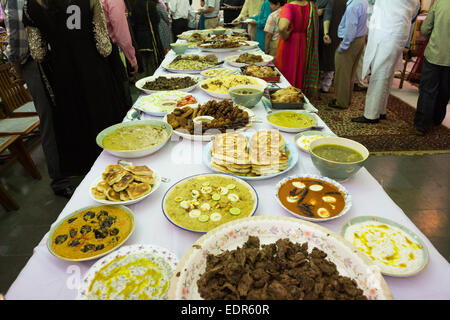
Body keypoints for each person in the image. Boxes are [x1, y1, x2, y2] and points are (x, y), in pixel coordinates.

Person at [22, 0, 129, 178]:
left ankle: (91, 175)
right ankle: (119, 167)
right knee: (104, 119)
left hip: (63, 76)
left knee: (76, 122)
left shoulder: (30, 6)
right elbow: (103, 46)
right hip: (93, 71)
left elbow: (38, 53)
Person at [1, 0, 74, 198]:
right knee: (49, 119)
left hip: (53, 59)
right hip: (36, 63)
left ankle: (69, 167)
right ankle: (59, 179)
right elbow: (16, 40)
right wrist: (17, 70)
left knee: (63, 114)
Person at [351, 0, 420, 124]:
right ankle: (380, 110)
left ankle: (371, 115)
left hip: (387, 32)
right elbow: (414, 12)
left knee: (379, 74)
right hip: (398, 31)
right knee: (387, 74)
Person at [414, 0, 450, 135]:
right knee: (445, 90)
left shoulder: (440, 3)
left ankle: (421, 124)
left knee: (428, 90)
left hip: (435, 53)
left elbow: (425, 29)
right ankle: (437, 119)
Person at [328, 0, 368, 109]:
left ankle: (341, 102)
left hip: (351, 41)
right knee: (350, 73)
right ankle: (346, 99)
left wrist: (344, 46)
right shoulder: (362, 1)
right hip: (360, 39)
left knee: (342, 74)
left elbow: (351, 29)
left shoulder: (353, 6)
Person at [275, 0, 319, 98]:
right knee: (299, 70)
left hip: (289, 43)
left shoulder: (289, 7)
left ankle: (284, 98)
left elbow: (282, 27)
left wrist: (285, 35)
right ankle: (296, 97)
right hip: (303, 42)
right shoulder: (310, 6)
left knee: (286, 71)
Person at [100, 0, 137, 110]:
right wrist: (132, 58)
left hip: (92, 53)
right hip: (111, 52)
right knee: (121, 98)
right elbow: (121, 32)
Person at [130, 0, 165, 76]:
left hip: (139, 36)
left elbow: (133, 20)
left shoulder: (135, 4)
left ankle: (144, 79)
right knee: (152, 61)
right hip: (150, 35)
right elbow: (156, 20)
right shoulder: (151, 4)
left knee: (143, 61)